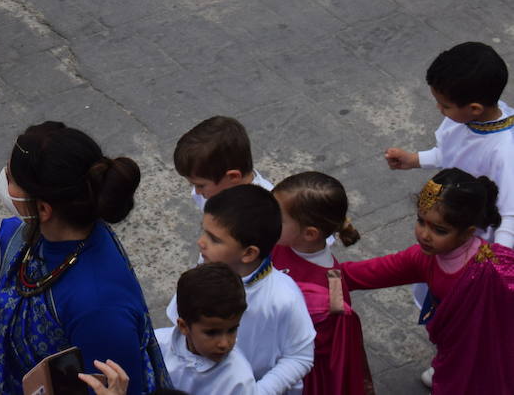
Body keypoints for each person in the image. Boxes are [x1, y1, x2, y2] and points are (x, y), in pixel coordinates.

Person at [0, 122, 169, 395]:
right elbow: (11, 326)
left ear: (43, 208)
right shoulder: (21, 238)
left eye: (11, 180)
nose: (4, 184)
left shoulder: (100, 308)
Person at [340, 169, 514, 392]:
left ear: (468, 232)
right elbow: (370, 272)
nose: (424, 234)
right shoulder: (423, 258)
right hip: (453, 349)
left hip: (491, 351)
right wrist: (321, 274)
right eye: (421, 221)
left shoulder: (497, 267)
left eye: (439, 230)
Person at [168, 185, 314, 395]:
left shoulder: (284, 297)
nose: (201, 243)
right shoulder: (207, 264)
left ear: (248, 253)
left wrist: (257, 391)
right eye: (204, 232)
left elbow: (300, 357)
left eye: (214, 239)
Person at [383, 42, 514, 248]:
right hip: (450, 226)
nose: (439, 109)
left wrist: (498, 261)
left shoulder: (505, 152)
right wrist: (414, 160)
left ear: (475, 109)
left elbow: (510, 216)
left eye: (445, 105)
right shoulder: (464, 120)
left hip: (474, 243)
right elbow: (451, 154)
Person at [271, 173, 373, 395]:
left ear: (309, 233)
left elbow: (321, 349)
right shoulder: (278, 240)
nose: (266, 219)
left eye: (277, 217)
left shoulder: (331, 291)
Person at [154, 263, 256, 395]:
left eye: (232, 330)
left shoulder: (239, 380)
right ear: (184, 326)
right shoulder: (157, 348)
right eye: (212, 333)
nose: (224, 344)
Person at [174, 116, 274, 211]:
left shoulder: (268, 209)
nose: (196, 192)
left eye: (200, 186)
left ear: (233, 177)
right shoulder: (213, 191)